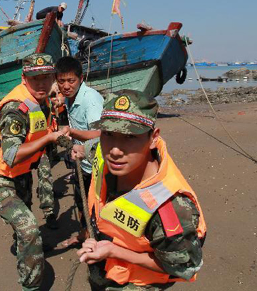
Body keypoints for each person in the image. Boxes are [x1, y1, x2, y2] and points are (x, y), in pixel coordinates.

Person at [77, 90, 207, 291]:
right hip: (103, 271)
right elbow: (94, 148)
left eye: (130, 137)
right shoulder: (105, 154)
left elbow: (183, 267)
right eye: (109, 134)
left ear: (153, 138)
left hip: (138, 283)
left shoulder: (169, 206)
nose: (115, 150)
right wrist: (79, 149)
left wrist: (114, 251)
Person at [0, 53, 69, 291]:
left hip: (20, 172)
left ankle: (27, 249)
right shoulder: (15, 109)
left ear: (53, 78)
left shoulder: (43, 101)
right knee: (29, 228)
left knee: (26, 223)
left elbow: (43, 136)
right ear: (23, 78)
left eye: (46, 77)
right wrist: (50, 137)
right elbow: (11, 154)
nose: (41, 83)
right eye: (35, 78)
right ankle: (31, 286)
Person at [54, 56, 103, 246]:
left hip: (97, 163)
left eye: (71, 81)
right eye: (61, 81)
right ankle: (85, 233)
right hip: (82, 161)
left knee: (95, 205)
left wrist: (72, 131)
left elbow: (100, 133)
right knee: (80, 200)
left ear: (81, 78)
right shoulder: (69, 97)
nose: (66, 86)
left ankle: (96, 240)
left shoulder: (89, 99)